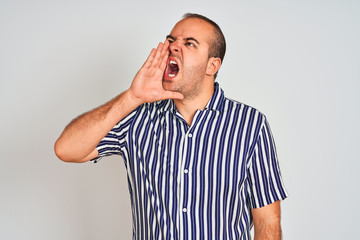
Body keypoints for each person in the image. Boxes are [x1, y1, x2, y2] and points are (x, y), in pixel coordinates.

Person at [55, 13, 288, 240]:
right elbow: (66, 149)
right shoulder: (137, 117)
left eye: (189, 43)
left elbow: (267, 221)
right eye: (170, 40)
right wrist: (132, 97)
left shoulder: (250, 125)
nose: (174, 47)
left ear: (212, 65)